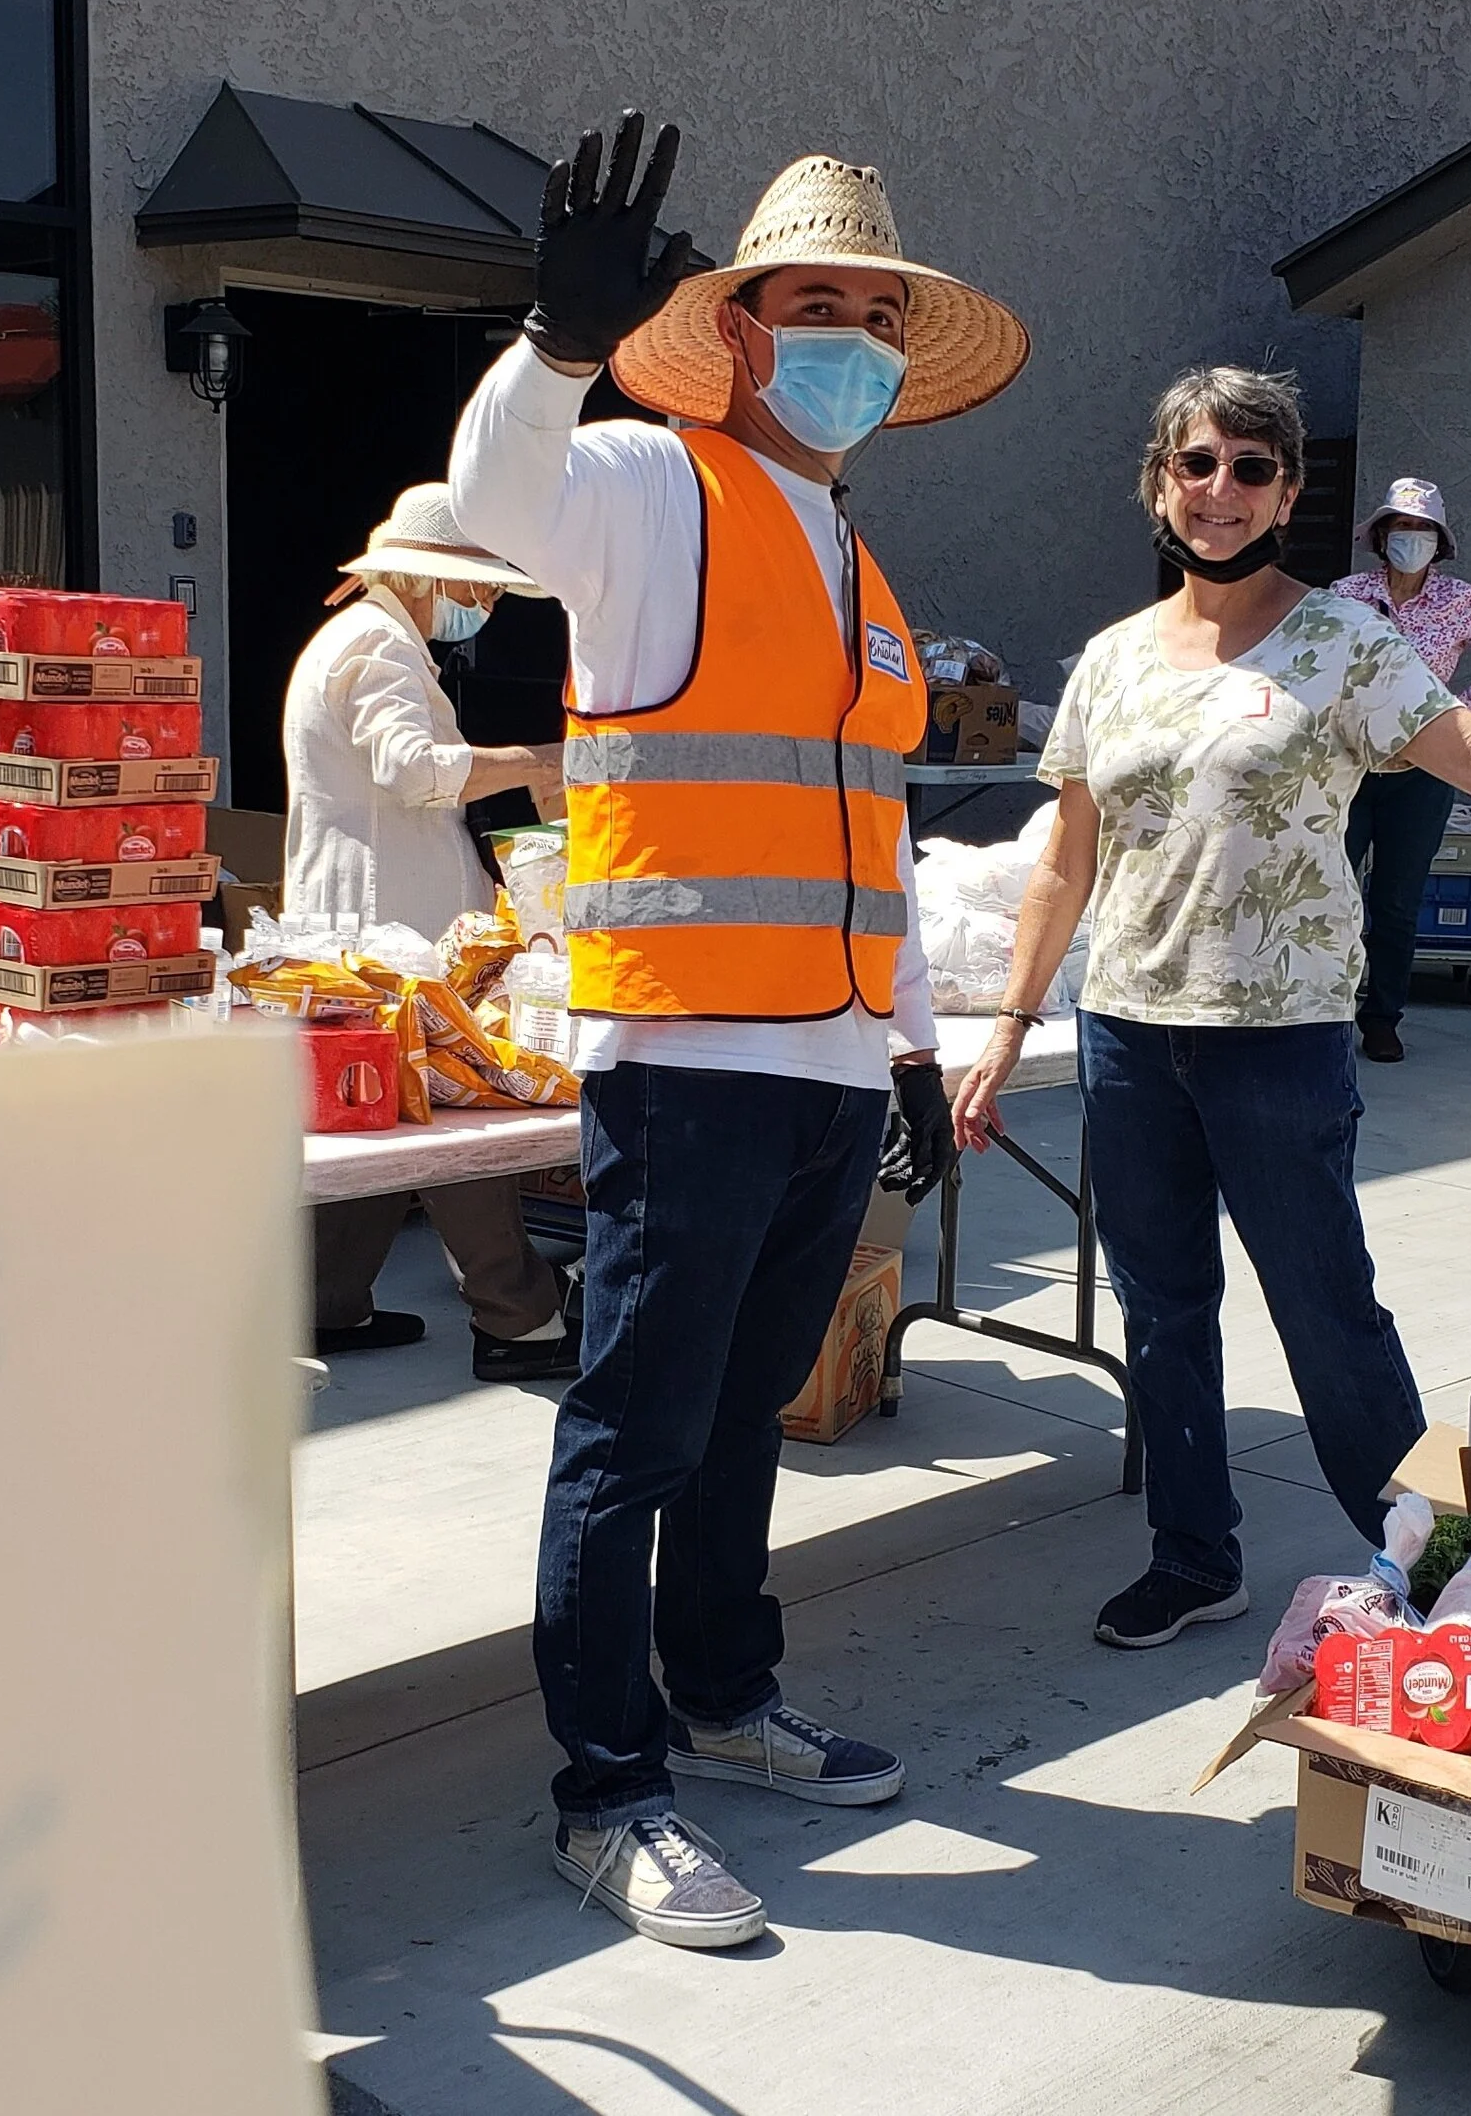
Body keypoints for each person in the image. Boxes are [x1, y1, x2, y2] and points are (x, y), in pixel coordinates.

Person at [450, 113, 1028, 1950]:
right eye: (815, 303)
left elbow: (873, 835)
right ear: (743, 331)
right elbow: (489, 505)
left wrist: (918, 1052)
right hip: (688, 1057)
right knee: (630, 1430)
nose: (850, 333)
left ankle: (719, 1697)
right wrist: (549, 345)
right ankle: (606, 1791)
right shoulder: (639, 481)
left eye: (879, 306)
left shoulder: (862, 570)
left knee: (741, 1424)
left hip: (829, 1066)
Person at [952, 366, 1471, 1650]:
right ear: (1159, 481)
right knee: (1161, 1306)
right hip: (1130, 1031)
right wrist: (1005, 1025)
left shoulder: (1345, 643)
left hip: (1278, 1038)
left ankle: (1428, 1564)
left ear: (1289, 494)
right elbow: (1063, 861)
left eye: (1251, 468)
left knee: (1325, 1308)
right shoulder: (1108, 662)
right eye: (1196, 464)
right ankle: (1195, 1554)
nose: (1220, 490)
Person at [285, 482, 575, 1382]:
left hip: (367, 923)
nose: (482, 608)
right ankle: (518, 1314)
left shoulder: (368, 638)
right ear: (423, 575)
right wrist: (540, 761)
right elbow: (416, 771)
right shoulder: (375, 642)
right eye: (478, 589)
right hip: (389, 931)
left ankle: (325, 1302)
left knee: (382, 1114)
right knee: (457, 1114)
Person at [1333, 477, 1471, 1063]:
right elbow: (1311, 659)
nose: (1411, 539)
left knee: (1397, 900)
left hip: (1421, 769)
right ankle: (1324, 1014)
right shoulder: (1346, 595)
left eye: (1422, 529)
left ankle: (1382, 1018)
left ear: (1439, 541)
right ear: (1381, 536)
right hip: (1348, 762)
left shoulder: (1461, 601)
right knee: (1332, 892)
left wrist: (1458, 716)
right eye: (1401, 528)